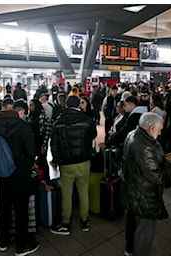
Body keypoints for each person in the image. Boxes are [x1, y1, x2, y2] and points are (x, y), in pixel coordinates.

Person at [0, 100, 39, 256]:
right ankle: (22, 245)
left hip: (2, 176)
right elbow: (32, 152)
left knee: (3, 207)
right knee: (21, 209)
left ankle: (2, 240)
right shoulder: (23, 127)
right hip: (20, 176)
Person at [122, 112, 171, 256]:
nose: (159, 134)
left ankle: (129, 249)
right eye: (159, 130)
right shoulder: (144, 146)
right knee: (144, 232)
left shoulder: (133, 134)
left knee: (132, 223)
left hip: (133, 189)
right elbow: (156, 177)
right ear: (151, 128)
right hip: (144, 195)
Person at [49, 96, 97, 236]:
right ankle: (84, 221)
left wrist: (57, 161)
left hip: (66, 164)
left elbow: (54, 145)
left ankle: (66, 223)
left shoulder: (58, 122)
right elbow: (92, 135)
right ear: (79, 105)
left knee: (66, 194)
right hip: (83, 162)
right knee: (83, 191)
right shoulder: (86, 121)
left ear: (66, 106)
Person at [27, 99, 52, 179]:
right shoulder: (30, 116)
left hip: (40, 141)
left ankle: (45, 179)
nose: (31, 107)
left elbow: (47, 131)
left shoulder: (43, 116)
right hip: (32, 142)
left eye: (33, 105)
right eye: (30, 105)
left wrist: (44, 145)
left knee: (42, 161)